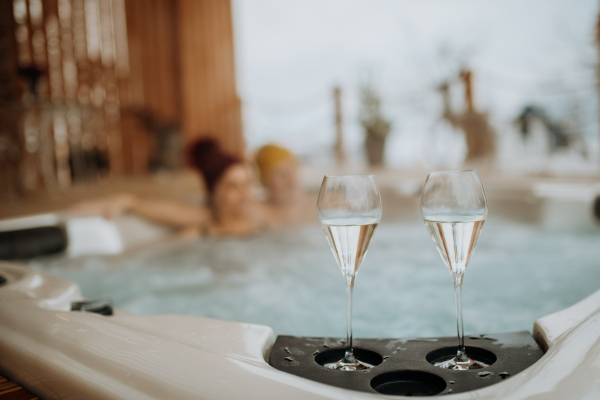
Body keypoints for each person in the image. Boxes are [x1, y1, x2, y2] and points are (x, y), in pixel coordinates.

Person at [73, 139, 265, 237]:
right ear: (215, 193)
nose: (245, 193)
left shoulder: (264, 222)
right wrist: (126, 201)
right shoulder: (202, 230)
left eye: (248, 184)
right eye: (233, 186)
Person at [254, 144, 315, 229]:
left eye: (292, 171)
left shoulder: (315, 206)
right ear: (265, 183)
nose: (290, 180)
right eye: (282, 175)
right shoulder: (258, 214)